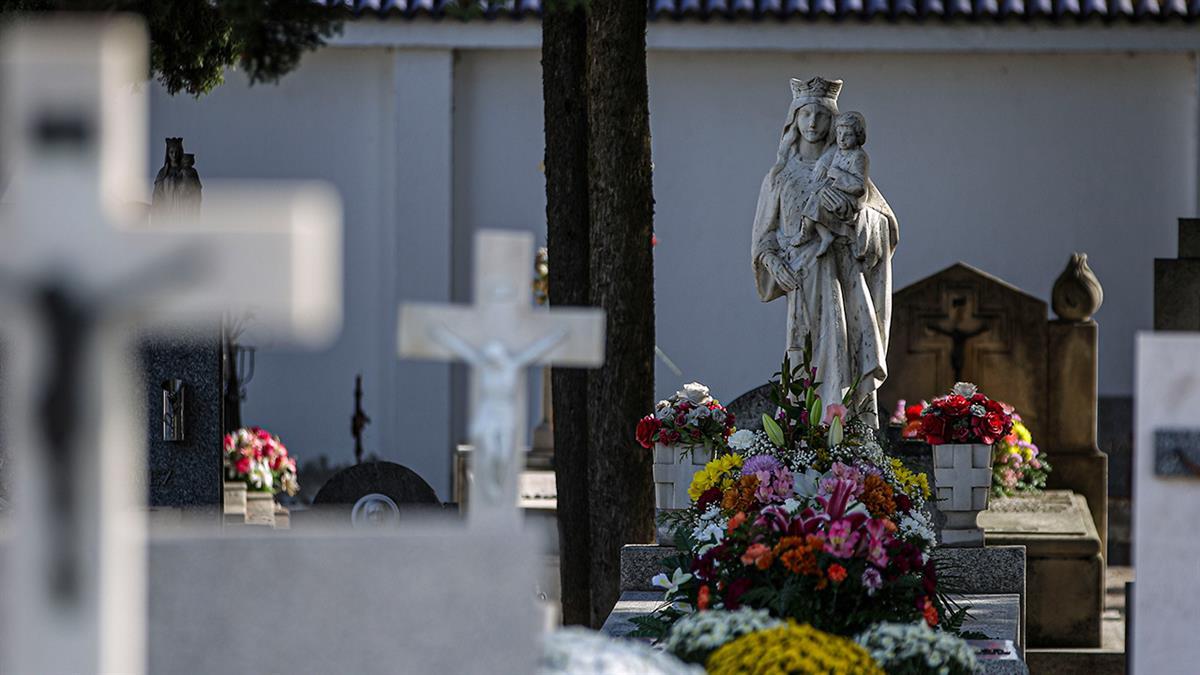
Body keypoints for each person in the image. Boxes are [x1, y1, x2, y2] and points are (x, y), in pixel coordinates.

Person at [750, 77, 899, 426]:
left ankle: (841, 427)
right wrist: (774, 263)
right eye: (806, 114)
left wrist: (853, 217)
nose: (813, 122)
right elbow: (764, 237)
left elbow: (884, 226)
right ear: (794, 120)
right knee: (805, 353)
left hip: (842, 279)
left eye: (821, 115)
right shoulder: (779, 177)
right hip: (801, 274)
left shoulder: (847, 166)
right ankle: (807, 429)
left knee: (840, 343)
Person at [798, 111, 869, 263]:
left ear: (858, 136)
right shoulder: (839, 151)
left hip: (849, 200)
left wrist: (838, 174)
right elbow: (829, 158)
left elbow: (859, 187)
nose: (841, 139)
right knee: (814, 195)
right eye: (839, 134)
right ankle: (823, 235)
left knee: (817, 198)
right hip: (835, 192)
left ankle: (807, 232)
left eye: (847, 135)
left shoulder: (858, 156)